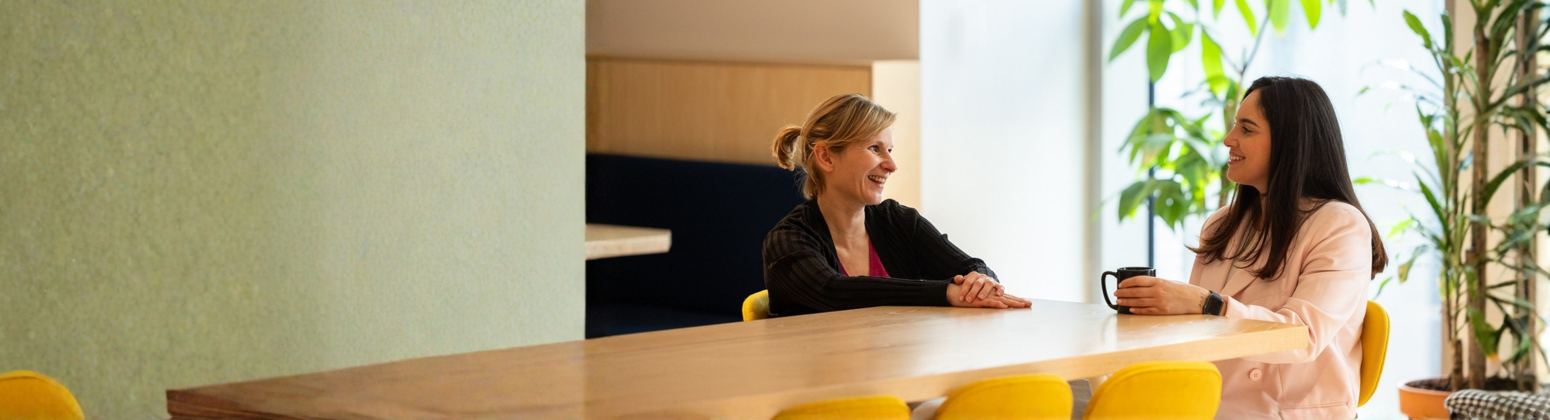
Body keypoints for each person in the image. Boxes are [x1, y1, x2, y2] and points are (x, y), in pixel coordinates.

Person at [1113, 76, 1387, 419]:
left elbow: (1302, 336)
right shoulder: (1222, 225)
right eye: (1234, 127)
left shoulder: (1339, 225)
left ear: (1290, 142)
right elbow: (1203, 335)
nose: (1229, 140)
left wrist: (1206, 304)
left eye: (1247, 129)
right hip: (1212, 406)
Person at [762, 93, 1033, 317]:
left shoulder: (898, 221)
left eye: (889, 150)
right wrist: (946, 292)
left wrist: (981, 281)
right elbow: (833, 291)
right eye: (874, 149)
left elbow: (972, 266)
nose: (891, 165)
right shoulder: (787, 241)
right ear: (826, 157)